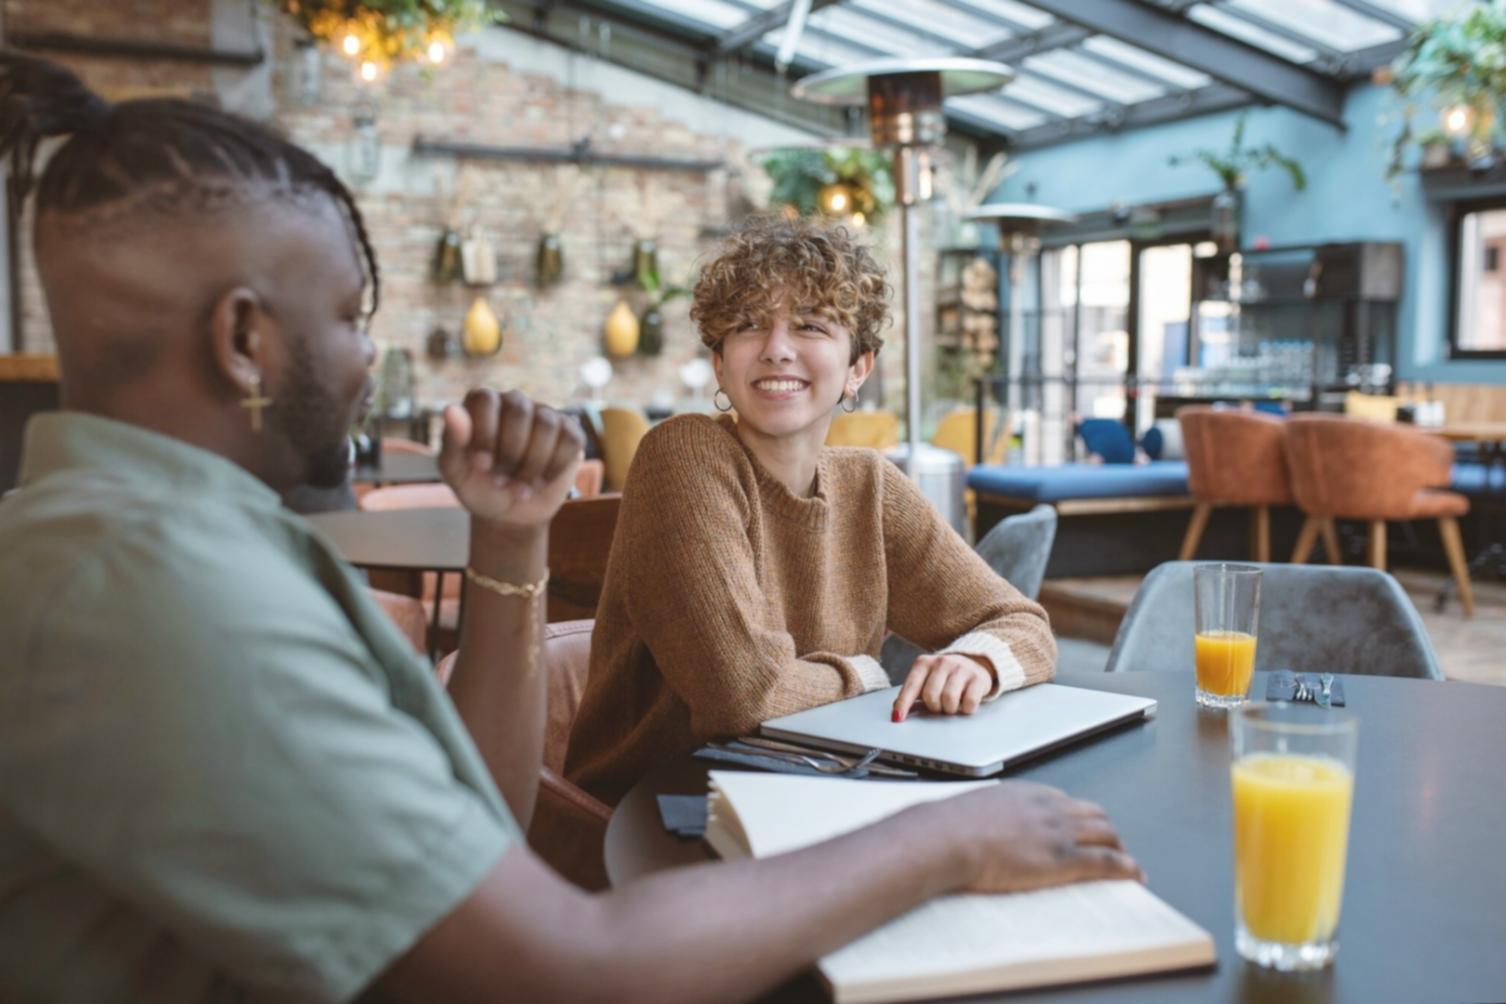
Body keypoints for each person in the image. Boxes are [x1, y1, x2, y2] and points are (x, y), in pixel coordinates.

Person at [0, 55, 1138, 1003]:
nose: (367, 360)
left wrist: (509, 544)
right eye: (353, 317)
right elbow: (567, 967)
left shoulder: (188, 544)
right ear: (246, 341)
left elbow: (479, 815)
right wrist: (954, 836)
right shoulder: (154, 589)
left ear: (859, 365)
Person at [566, 216, 1056, 804]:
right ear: (720, 364)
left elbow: (1024, 623)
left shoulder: (870, 485)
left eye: (810, 325)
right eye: (748, 326)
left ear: (858, 368)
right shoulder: (685, 455)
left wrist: (979, 660)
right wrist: (872, 676)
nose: (776, 349)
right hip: (651, 816)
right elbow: (740, 697)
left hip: (808, 795)